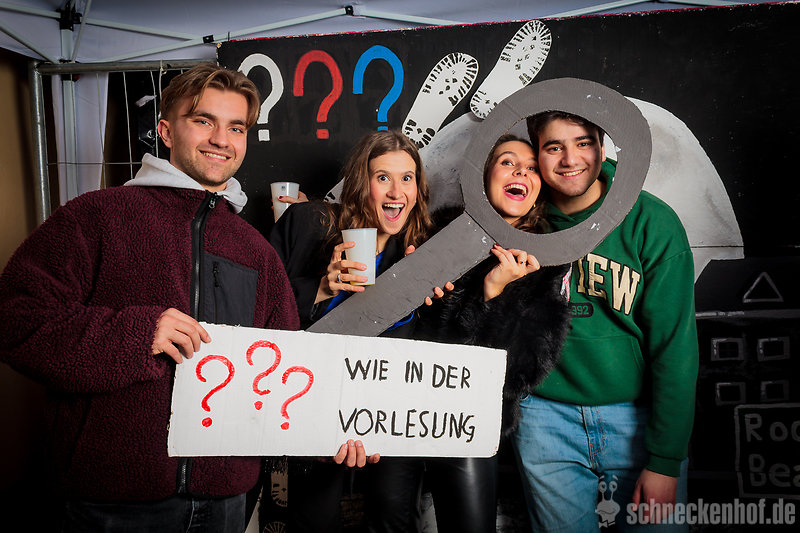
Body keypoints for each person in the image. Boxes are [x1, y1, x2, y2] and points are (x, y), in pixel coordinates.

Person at [0, 63, 362, 533]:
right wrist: (136, 335)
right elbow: (16, 319)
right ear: (166, 131)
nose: (221, 139)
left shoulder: (257, 252)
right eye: (203, 121)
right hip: (111, 503)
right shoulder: (96, 216)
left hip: (225, 501)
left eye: (236, 127)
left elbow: (281, 374)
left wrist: (326, 434)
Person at [514, 110, 699, 531]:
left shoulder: (650, 220)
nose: (570, 159)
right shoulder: (519, 218)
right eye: (553, 147)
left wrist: (665, 460)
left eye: (583, 142)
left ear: (602, 145)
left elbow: (675, 348)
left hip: (636, 418)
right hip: (545, 417)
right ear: (536, 153)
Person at [269, 129, 434, 532]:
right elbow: (259, 306)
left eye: (407, 178)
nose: (396, 191)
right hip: (311, 403)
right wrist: (322, 288)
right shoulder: (310, 223)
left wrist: (436, 300)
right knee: (315, 519)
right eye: (383, 177)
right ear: (361, 184)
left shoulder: (419, 252)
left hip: (382, 413)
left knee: (393, 514)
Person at [409, 134, 571, 533]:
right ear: (483, 177)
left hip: (470, 425)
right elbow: (421, 339)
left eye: (531, 168)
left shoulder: (547, 262)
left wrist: (491, 293)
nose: (521, 172)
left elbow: (520, 374)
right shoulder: (441, 236)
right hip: (407, 408)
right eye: (508, 162)